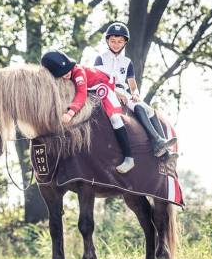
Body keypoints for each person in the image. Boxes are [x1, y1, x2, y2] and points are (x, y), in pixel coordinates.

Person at [41, 50, 134, 174]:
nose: (67, 73)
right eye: (61, 72)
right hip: (90, 90)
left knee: (115, 118)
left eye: (68, 69)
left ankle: (129, 157)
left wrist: (70, 113)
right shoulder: (61, 78)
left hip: (102, 86)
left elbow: (81, 93)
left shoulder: (78, 72)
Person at [95, 22, 178, 160]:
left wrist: (135, 93)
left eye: (120, 41)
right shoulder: (101, 58)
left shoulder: (127, 62)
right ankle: (157, 142)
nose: (116, 44)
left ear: (125, 43)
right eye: (113, 41)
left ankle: (159, 144)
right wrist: (115, 91)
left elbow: (133, 85)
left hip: (124, 91)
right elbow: (98, 79)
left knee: (145, 108)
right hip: (107, 90)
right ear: (107, 41)